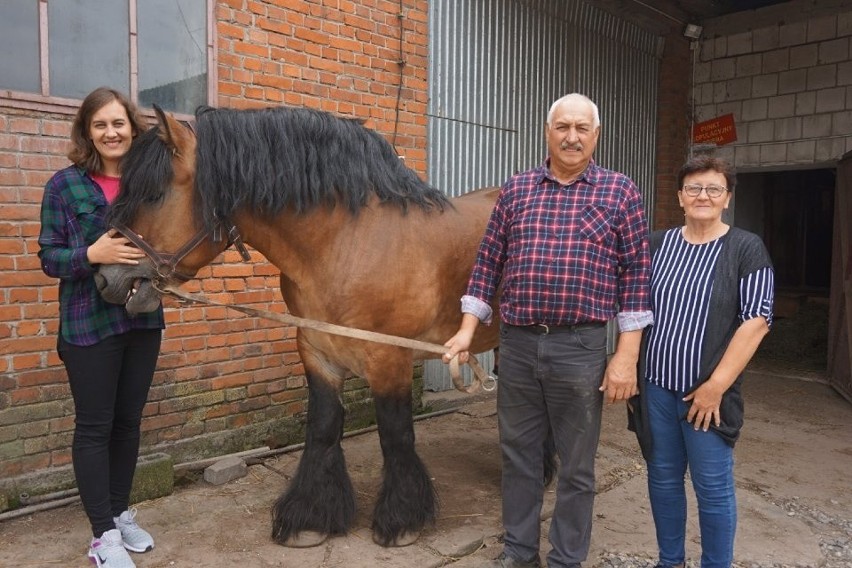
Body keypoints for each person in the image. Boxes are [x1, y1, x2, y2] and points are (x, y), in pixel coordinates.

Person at [443, 93, 653, 568]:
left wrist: (626, 356)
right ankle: (518, 552)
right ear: (548, 131)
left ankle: (565, 559)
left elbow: (637, 278)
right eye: (563, 127)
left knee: (577, 466)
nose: (572, 136)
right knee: (518, 456)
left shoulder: (619, 191)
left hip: (580, 347)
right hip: (516, 345)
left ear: (596, 136)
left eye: (582, 128)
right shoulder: (517, 189)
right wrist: (466, 330)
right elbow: (487, 264)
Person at [38, 87, 164, 568]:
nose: (111, 133)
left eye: (119, 123)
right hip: (87, 325)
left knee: (129, 423)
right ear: (88, 132)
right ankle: (102, 535)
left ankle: (118, 513)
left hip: (143, 317)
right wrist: (92, 254)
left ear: (132, 129)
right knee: (95, 426)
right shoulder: (64, 185)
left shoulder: (148, 186)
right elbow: (49, 257)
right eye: (100, 125)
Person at [629, 155, 774, 568]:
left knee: (712, 486)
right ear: (679, 197)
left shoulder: (745, 248)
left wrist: (716, 387)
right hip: (656, 387)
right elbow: (636, 310)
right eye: (694, 188)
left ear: (726, 198)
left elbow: (756, 322)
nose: (703, 196)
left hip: (707, 395)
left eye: (713, 189)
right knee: (663, 480)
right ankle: (669, 561)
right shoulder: (656, 244)